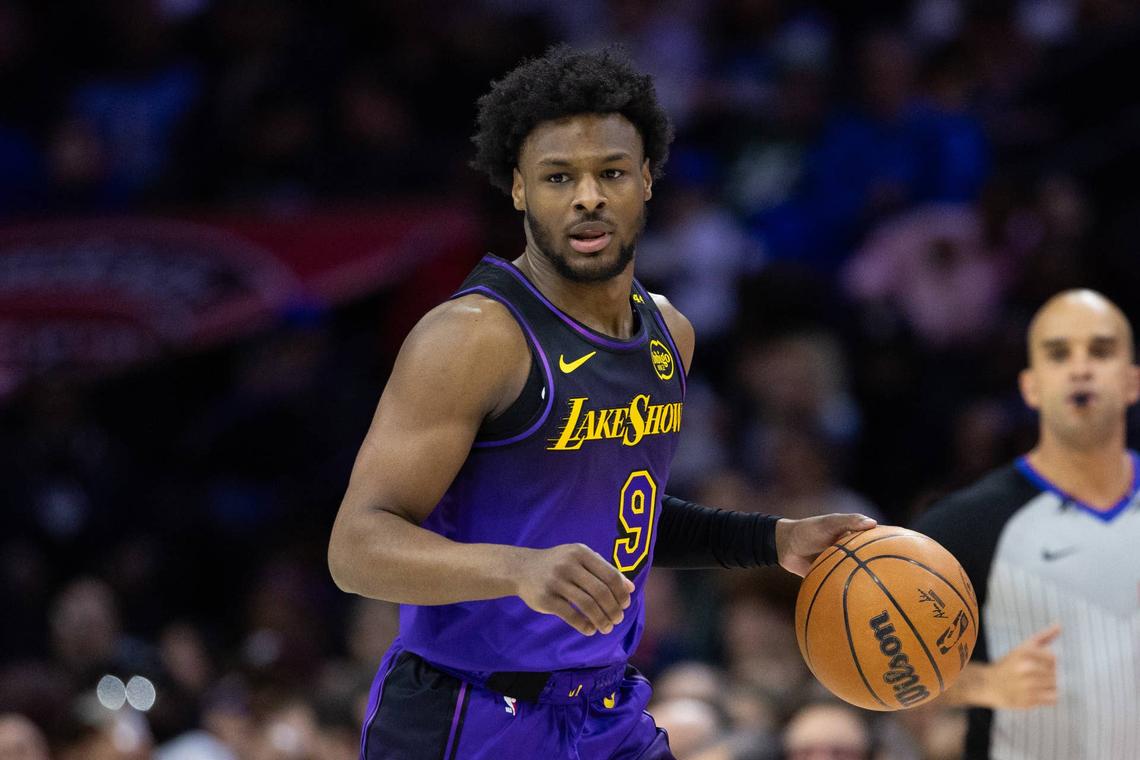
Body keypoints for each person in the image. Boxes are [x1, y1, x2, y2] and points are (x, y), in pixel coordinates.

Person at [327, 46, 874, 760]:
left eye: (611, 172)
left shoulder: (669, 333)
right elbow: (355, 548)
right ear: (519, 189)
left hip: (606, 707)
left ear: (645, 179)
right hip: (468, 713)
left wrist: (774, 539)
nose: (588, 196)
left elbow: (620, 520)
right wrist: (518, 569)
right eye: (559, 177)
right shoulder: (473, 338)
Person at [912, 289, 1140, 759]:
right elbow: (888, 671)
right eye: (1058, 354)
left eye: (1100, 351)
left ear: (1132, 381)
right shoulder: (966, 524)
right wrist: (985, 683)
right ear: (1030, 386)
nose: (1080, 368)